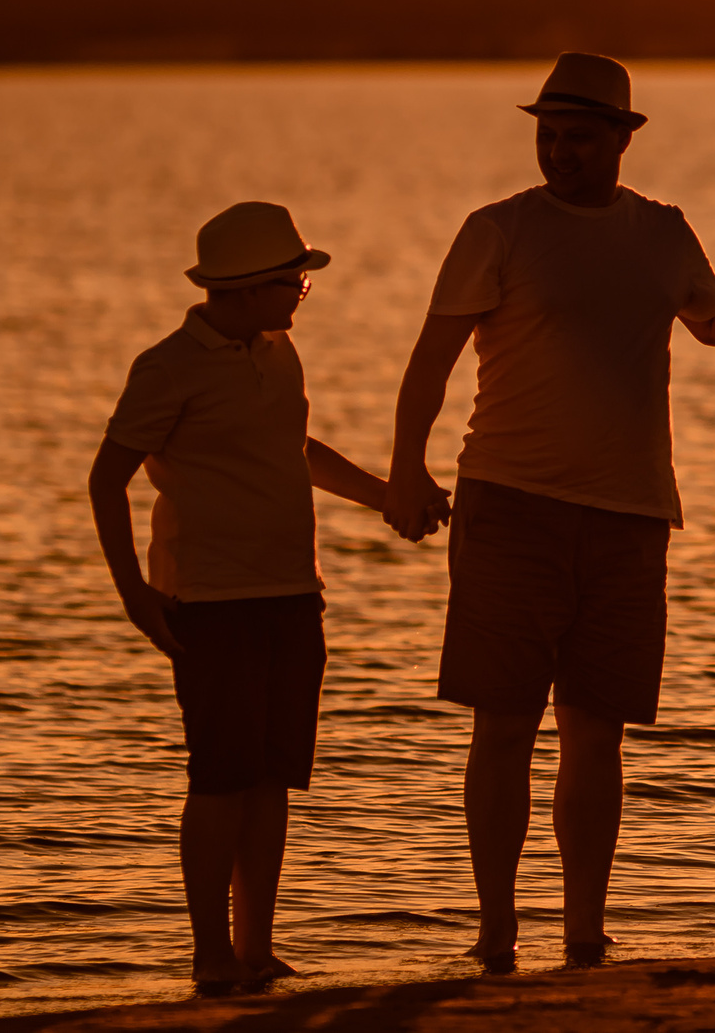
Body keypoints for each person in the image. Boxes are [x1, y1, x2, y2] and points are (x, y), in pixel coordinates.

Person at [381, 53, 715, 969]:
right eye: (547, 134)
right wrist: (405, 470)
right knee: (505, 722)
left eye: (578, 136)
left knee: (596, 729)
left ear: (621, 139)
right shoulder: (498, 230)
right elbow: (430, 360)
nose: (558, 152)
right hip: (510, 503)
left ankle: (582, 931)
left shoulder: (662, 232)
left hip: (630, 512)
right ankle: (495, 928)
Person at [87, 201, 448, 992]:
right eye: (295, 281)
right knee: (219, 777)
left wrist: (389, 496)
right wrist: (134, 594)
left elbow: (297, 450)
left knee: (272, 777)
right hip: (210, 602)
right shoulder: (167, 367)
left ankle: (255, 947)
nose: (301, 294)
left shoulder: (279, 352)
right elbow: (106, 479)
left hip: (293, 592)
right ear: (250, 288)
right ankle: (209, 952)